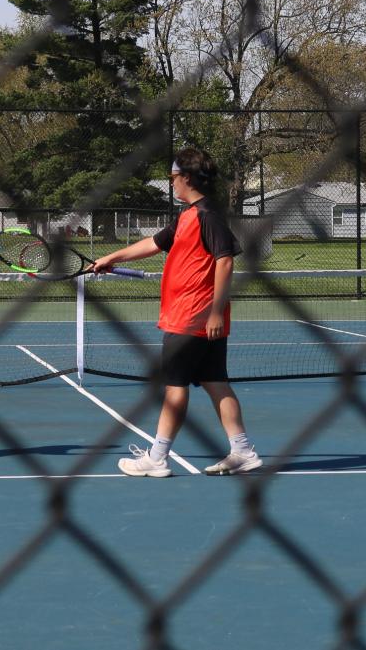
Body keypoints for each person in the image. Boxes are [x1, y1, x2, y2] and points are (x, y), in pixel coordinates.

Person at [93, 147, 260, 478]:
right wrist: (112, 257)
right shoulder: (187, 216)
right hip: (194, 315)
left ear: (186, 178)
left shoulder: (207, 216)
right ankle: (243, 451)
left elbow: (224, 260)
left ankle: (157, 457)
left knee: (174, 386)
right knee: (216, 382)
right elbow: (153, 244)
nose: (171, 184)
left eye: (173, 178)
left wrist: (214, 312)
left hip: (192, 316)